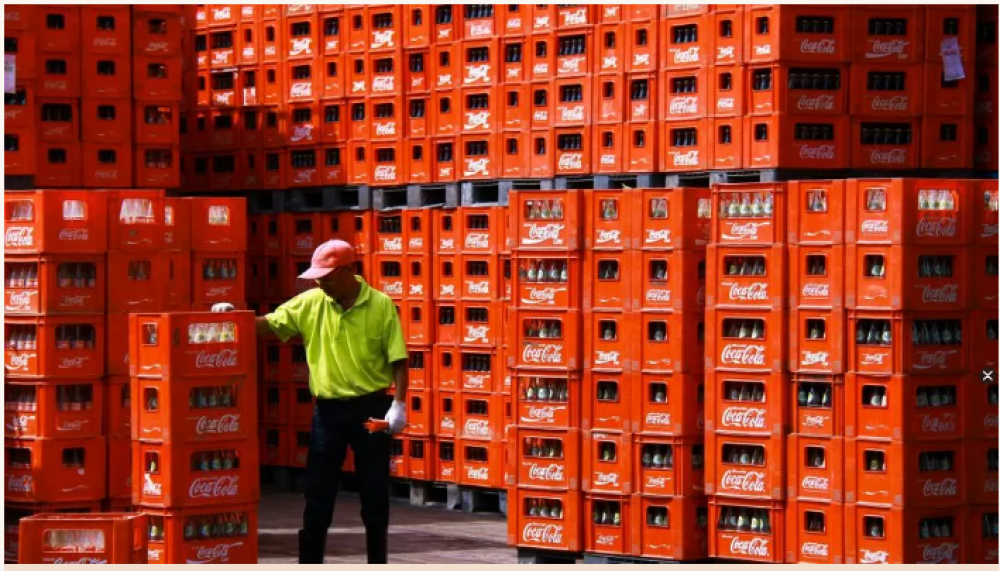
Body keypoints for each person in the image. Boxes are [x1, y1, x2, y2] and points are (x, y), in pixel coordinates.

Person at [213, 239, 408, 564]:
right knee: (318, 493)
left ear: (349, 270)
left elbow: (399, 359)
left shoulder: (381, 305)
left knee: (374, 492)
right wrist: (236, 318)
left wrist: (398, 405)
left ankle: (378, 561)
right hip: (328, 411)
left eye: (327, 277)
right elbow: (269, 326)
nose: (321, 283)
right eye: (317, 277)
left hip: (372, 409)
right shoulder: (311, 303)